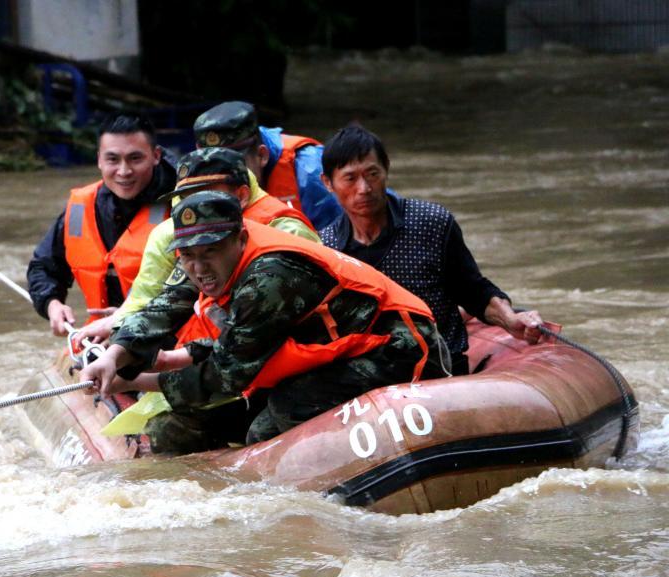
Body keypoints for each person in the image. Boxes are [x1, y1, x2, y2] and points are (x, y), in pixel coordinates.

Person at [81, 191, 447, 455]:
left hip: (399, 346)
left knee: (276, 420)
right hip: (322, 350)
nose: (198, 267)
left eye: (210, 252)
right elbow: (163, 307)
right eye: (188, 256)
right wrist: (115, 357)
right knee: (176, 428)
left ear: (240, 239)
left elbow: (227, 375)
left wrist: (143, 380)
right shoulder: (198, 258)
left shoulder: (268, 277)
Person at [319, 124, 545, 376]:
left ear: (386, 170)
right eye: (350, 178)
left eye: (372, 174)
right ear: (328, 183)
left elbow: (474, 291)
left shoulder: (431, 223)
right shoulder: (326, 248)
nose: (364, 188)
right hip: (370, 376)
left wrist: (510, 320)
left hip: (440, 367)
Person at [71, 146, 319, 348]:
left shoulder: (285, 232)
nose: (198, 206)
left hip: (289, 349)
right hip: (216, 348)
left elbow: (252, 337)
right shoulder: (182, 236)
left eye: (208, 194)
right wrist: (120, 334)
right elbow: (166, 298)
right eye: (188, 196)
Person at [26, 113, 177, 336]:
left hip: (165, 334)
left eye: (135, 158)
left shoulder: (182, 206)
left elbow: (195, 288)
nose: (124, 171)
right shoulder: (79, 208)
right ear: (99, 160)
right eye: (113, 159)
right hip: (98, 333)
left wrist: (129, 319)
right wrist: (52, 304)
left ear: (155, 156)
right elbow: (43, 267)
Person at [193, 101, 342, 231]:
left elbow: (341, 240)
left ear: (262, 155)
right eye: (214, 167)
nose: (225, 178)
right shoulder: (192, 174)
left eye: (234, 165)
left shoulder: (309, 169)